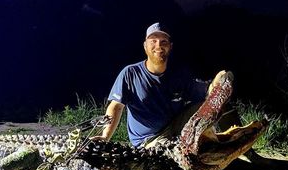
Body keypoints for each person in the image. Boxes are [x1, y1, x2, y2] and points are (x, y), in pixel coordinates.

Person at [93, 22, 228, 148]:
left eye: (164, 41)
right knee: (176, 151)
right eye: (153, 41)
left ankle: (234, 144)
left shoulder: (179, 75)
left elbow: (206, 92)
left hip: (175, 128)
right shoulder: (130, 73)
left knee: (218, 102)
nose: (159, 46)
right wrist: (105, 136)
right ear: (145, 46)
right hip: (148, 141)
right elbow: (116, 107)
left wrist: (218, 83)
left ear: (170, 46)